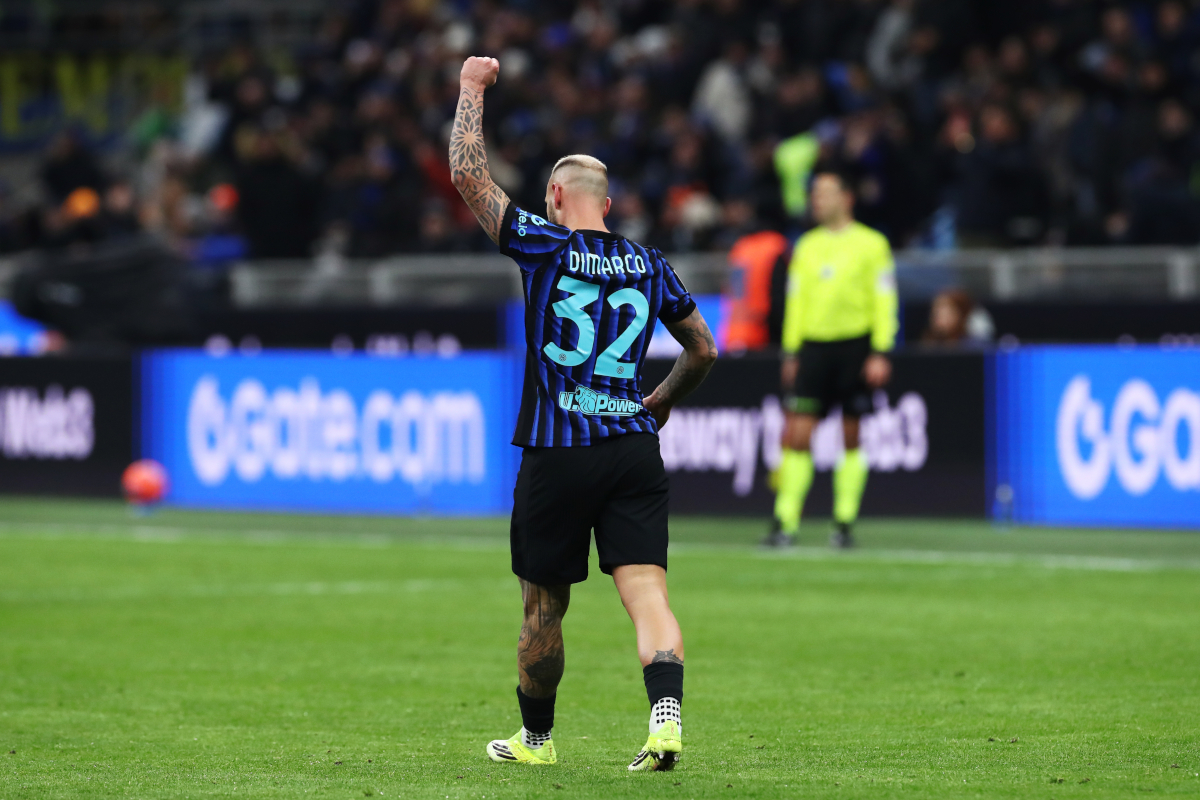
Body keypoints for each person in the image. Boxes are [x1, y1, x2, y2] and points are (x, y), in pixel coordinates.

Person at [449, 56, 718, 772]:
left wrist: (473, 88)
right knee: (647, 591)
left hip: (557, 449)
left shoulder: (543, 243)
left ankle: (536, 741)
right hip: (632, 447)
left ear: (558, 195)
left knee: (544, 608)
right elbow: (703, 348)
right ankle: (665, 719)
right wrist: (658, 400)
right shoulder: (648, 263)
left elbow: (468, 177)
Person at [766, 170, 898, 550]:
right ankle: (785, 523)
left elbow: (884, 299)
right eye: (814, 194)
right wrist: (791, 351)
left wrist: (880, 350)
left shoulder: (872, 244)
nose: (816, 201)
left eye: (825, 193)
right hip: (814, 350)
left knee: (852, 435)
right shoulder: (806, 246)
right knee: (798, 435)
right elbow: (796, 303)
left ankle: (843, 522)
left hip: (856, 348)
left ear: (847, 198)